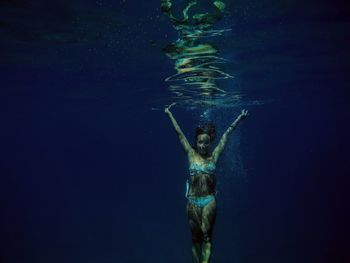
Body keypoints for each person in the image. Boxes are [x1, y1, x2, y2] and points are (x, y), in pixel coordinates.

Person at [165, 103, 249, 263]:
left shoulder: (214, 156)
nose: (203, 146)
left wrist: (239, 119)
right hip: (191, 201)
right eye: (200, 142)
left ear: (210, 142)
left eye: (206, 142)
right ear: (196, 142)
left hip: (209, 200)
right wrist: (169, 114)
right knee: (195, 239)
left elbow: (225, 136)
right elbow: (179, 134)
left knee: (206, 236)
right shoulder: (190, 154)